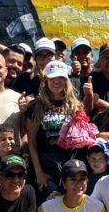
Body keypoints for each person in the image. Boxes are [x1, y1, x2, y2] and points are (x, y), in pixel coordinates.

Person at [26, 61, 81, 195]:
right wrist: (39, 172)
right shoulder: (35, 106)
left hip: (70, 162)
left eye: (61, 77)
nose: (57, 81)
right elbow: (31, 142)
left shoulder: (75, 105)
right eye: (52, 78)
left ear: (66, 80)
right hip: (46, 165)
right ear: (46, 80)